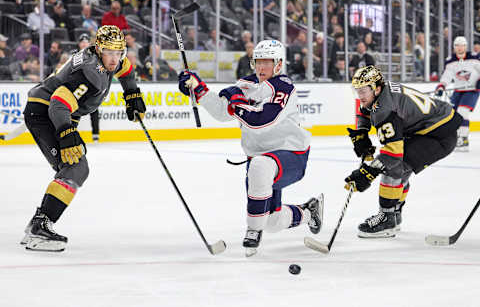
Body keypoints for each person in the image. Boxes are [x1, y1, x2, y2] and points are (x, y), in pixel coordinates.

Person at [177, 40, 323, 257]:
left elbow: (261, 120)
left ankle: (253, 232)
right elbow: (222, 112)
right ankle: (309, 212)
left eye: (267, 62)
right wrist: (198, 90)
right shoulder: (246, 84)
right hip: (261, 157)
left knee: (261, 166)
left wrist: (235, 103)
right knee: (271, 221)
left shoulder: (284, 87)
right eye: (258, 62)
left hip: (291, 155)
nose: (261, 67)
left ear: (279, 64)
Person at [20, 25, 146, 252]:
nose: (114, 59)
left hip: (54, 111)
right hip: (46, 113)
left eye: (119, 52)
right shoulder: (91, 72)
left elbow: (126, 69)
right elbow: (59, 103)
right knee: (76, 166)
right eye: (109, 52)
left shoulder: (106, 58)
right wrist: (67, 134)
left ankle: (39, 224)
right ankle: (39, 226)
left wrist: (132, 94)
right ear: (99, 49)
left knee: (74, 167)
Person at [345, 66, 462, 238]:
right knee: (400, 168)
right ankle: (394, 214)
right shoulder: (379, 93)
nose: (360, 96)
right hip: (431, 127)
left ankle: (387, 218)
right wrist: (362, 133)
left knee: (394, 167)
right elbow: (365, 111)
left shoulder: (385, 108)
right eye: (357, 91)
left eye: (363, 91)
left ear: (376, 89)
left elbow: (392, 154)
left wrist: (367, 172)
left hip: (440, 134)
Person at [435, 36, 480, 152]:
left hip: (472, 90)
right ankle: (457, 137)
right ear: (454, 47)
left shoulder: (475, 57)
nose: (460, 48)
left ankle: (464, 140)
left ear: (466, 46)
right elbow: (447, 75)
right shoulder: (450, 61)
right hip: (458, 91)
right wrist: (441, 86)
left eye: (462, 45)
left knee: (463, 112)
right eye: (457, 45)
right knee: (453, 115)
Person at [76, 33, 100, 142]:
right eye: (82, 42)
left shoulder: (94, 55)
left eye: (86, 42)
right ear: (79, 44)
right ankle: (70, 132)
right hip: (76, 87)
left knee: (94, 109)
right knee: (74, 110)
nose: (84, 44)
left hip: (91, 86)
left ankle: (96, 134)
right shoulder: (75, 55)